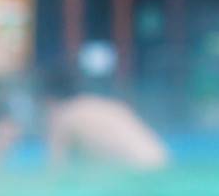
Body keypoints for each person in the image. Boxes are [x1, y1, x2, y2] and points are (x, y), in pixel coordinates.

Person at [39, 66, 170, 170]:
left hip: (136, 174)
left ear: (49, 99)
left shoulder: (64, 116)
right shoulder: (105, 105)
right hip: (162, 163)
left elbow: (56, 171)